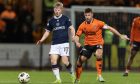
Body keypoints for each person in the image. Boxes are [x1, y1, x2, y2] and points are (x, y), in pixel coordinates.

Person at [74, 8, 129, 83]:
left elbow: (110, 28)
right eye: (86, 15)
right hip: (88, 45)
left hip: (98, 43)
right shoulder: (82, 25)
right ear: (84, 15)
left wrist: (120, 35)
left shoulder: (98, 23)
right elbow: (77, 36)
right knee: (80, 61)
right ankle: (77, 78)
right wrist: (77, 42)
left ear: (92, 15)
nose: (87, 17)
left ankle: (99, 76)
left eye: (89, 15)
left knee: (99, 54)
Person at [37, 2, 75, 83]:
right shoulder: (51, 21)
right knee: (53, 60)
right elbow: (47, 32)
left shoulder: (65, 18)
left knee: (65, 61)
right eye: (56, 10)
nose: (57, 11)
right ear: (54, 10)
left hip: (64, 43)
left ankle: (72, 74)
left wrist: (73, 36)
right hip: (54, 44)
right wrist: (42, 39)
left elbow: (72, 28)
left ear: (61, 10)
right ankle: (58, 79)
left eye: (59, 10)